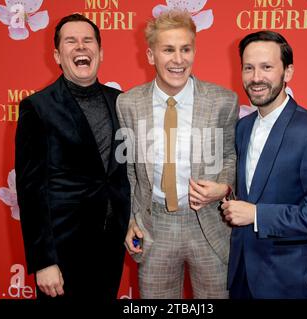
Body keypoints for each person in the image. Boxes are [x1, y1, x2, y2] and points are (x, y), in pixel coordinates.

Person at [116, 9, 238, 299]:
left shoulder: (223, 101)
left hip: (208, 224)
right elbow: (129, 169)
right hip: (154, 226)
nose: (178, 59)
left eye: (185, 49)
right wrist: (132, 218)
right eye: (168, 50)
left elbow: (230, 155)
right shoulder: (129, 104)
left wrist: (224, 187)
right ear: (150, 55)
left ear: (194, 51)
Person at [222, 30, 307, 299]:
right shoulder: (242, 127)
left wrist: (257, 215)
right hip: (241, 276)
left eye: (267, 67)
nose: (256, 78)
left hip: (290, 281)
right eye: (249, 68)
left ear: (287, 72)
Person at [15, 13, 130, 302]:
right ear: (57, 54)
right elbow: (31, 190)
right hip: (63, 252)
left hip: (110, 247)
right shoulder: (37, 107)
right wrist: (43, 261)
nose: (81, 47)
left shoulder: (122, 101)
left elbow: (125, 174)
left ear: (100, 52)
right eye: (71, 41)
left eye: (87, 40)